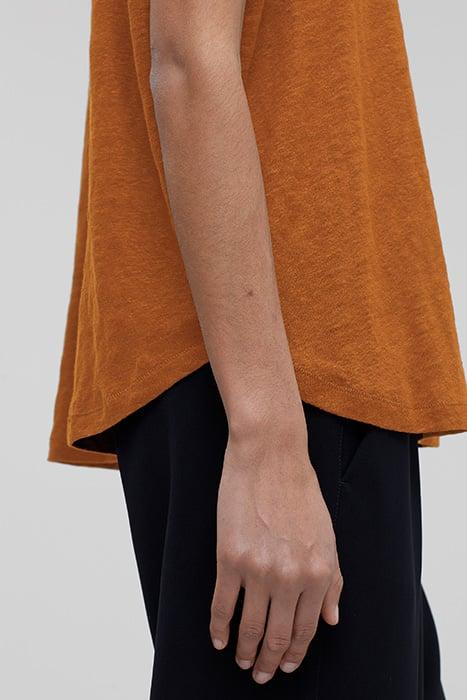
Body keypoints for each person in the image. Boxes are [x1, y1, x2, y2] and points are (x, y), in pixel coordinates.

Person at [48, 1, 466, 698]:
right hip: (273, 377)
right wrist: (267, 437)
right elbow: (190, 62)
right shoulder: (272, 418)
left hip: (303, 377)